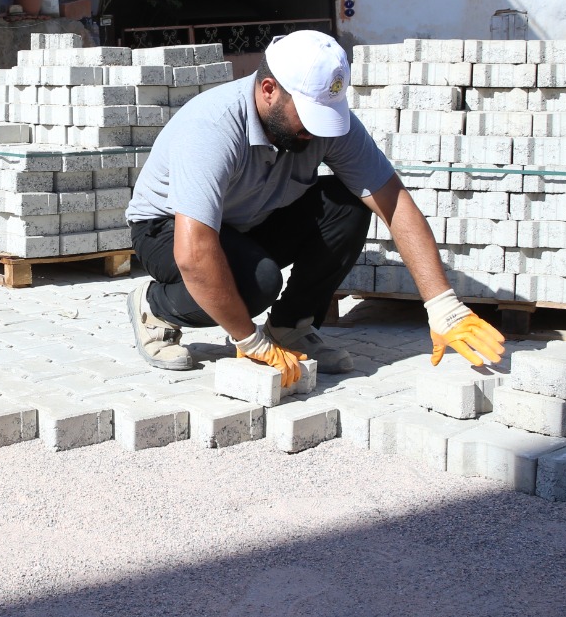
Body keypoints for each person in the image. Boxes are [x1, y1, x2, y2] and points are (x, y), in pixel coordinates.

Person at [124, 30, 504, 385]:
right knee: (258, 283)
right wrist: (248, 340)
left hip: (247, 219)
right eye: (308, 117)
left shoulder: (325, 125)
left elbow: (395, 203)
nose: (318, 131)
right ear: (269, 90)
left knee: (348, 203)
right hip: (168, 227)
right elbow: (194, 253)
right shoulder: (213, 127)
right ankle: (154, 307)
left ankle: (290, 327)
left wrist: (442, 305)